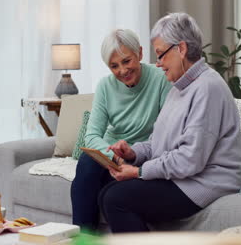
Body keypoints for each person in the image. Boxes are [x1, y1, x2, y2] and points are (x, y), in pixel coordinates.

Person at [100, 13, 241, 233]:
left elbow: (190, 160)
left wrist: (139, 172)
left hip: (206, 182)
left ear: (182, 49)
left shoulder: (208, 88)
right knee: (106, 193)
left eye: (160, 55)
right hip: (186, 178)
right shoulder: (179, 88)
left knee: (115, 199)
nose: (158, 64)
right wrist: (133, 154)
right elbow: (157, 142)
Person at [70, 29, 172, 232]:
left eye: (127, 61)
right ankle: (84, 238)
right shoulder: (105, 86)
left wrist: (129, 158)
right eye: (114, 66)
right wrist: (115, 158)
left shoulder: (161, 79)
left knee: (107, 190)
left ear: (140, 53)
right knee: (87, 163)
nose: (122, 71)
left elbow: (166, 131)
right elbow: (91, 136)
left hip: (142, 155)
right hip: (112, 156)